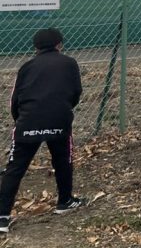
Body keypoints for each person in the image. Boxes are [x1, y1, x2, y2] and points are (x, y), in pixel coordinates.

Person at [0, 29, 83, 234]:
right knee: (63, 160)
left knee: (15, 168)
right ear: (59, 45)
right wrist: (64, 108)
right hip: (59, 119)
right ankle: (65, 200)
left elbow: (15, 99)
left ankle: (2, 216)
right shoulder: (69, 63)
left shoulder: (27, 67)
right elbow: (76, 92)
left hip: (28, 121)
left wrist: (20, 119)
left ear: (35, 47)